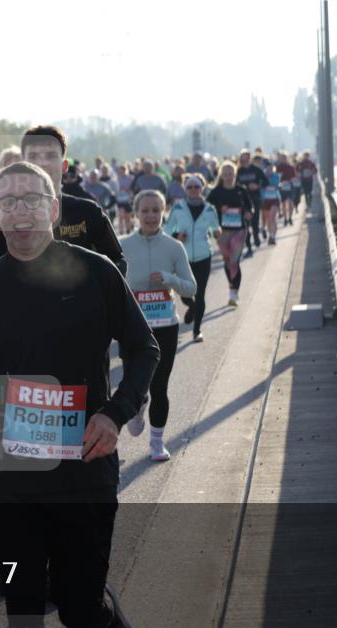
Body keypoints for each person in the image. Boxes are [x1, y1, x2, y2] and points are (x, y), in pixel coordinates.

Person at [0, 162, 159, 628]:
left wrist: (115, 413)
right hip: (13, 475)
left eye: (31, 199)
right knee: (22, 612)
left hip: (84, 469)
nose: (20, 211)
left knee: (79, 612)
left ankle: (105, 620)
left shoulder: (95, 272)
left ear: (53, 208)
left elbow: (144, 348)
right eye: (8, 202)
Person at [0, 126, 126, 276]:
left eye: (50, 156)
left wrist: (88, 293)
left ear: (64, 166)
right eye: (33, 156)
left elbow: (118, 263)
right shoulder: (0, 218)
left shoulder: (88, 212)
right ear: (22, 162)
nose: (42, 163)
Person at [121, 190, 196, 460]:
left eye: (156, 210)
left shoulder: (174, 248)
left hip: (165, 325)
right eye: (145, 211)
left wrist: (168, 278)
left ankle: (157, 443)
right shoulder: (123, 245)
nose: (151, 216)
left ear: (163, 212)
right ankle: (138, 404)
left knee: (160, 385)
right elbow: (112, 286)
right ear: (136, 214)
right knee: (134, 382)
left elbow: (191, 287)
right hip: (133, 326)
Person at [165, 174, 220, 342]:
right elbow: (167, 229)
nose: (193, 190)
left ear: (202, 188)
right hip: (183, 257)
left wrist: (217, 233)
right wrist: (176, 235)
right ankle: (192, 306)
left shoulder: (210, 209)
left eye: (197, 186)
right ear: (184, 189)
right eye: (189, 187)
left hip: (204, 256)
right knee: (184, 292)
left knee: (200, 293)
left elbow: (215, 228)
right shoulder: (178, 208)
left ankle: (197, 331)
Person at [208, 161, 254, 307]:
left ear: (235, 174)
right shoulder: (217, 191)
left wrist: (248, 213)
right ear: (221, 175)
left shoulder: (241, 190)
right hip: (223, 230)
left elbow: (250, 207)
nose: (228, 176)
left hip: (239, 230)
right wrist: (219, 209)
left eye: (231, 173)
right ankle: (232, 286)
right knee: (227, 261)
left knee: (234, 260)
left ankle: (233, 294)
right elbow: (208, 208)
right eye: (225, 174)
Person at [234, 150, 267, 257]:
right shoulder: (238, 171)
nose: (244, 161)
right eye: (242, 159)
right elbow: (234, 184)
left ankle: (256, 235)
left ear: (249, 158)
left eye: (246, 158)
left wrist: (257, 186)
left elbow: (265, 182)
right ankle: (249, 247)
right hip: (242, 200)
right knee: (245, 224)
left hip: (255, 198)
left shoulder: (256, 170)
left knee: (255, 220)